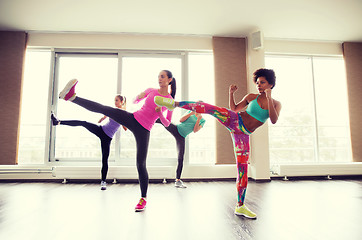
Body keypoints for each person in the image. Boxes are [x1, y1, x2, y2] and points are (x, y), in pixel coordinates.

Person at [154, 68, 281, 219]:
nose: (259, 85)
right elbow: (234, 109)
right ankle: (174, 104)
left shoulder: (276, 104)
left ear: (271, 84)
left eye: (263, 83)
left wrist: (269, 98)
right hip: (235, 119)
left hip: (243, 135)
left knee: (243, 169)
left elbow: (273, 119)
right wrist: (231, 94)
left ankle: (240, 206)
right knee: (211, 108)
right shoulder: (251, 96)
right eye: (258, 82)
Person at [58, 70, 176, 212]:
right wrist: (138, 97)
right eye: (158, 76)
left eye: (162, 77)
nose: (159, 79)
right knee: (105, 109)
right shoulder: (151, 90)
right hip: (133, 118)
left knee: (140, 164)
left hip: (144, 130)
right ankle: (71, 97)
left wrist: (158, 113)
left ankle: (143, 198)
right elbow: (134, 101)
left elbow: (167, 123)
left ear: (169, 80)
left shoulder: (170, 101)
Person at [51, 95, 127, 191]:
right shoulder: (112, 110)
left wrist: (122, 121)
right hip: (101, 129)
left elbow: (125, 128)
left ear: (122, 102)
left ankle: (103, 182)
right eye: (114, 100)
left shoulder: (123, 114)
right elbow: (105, 116)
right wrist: (102, 118)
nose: (115, 102)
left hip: (107, 138)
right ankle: (58, 122)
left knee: (105, 160)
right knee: (83, 123)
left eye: (116, 100)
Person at [156, 110, 205, 188]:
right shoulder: (190, 112)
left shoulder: (202, 120)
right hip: (176, 128)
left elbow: (195, 130)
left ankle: (178, 180)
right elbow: (181, 120)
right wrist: (191, 113)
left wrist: (198, 119)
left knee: (181, 158)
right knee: (162, 120)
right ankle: (144, 119)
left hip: (182, 137)